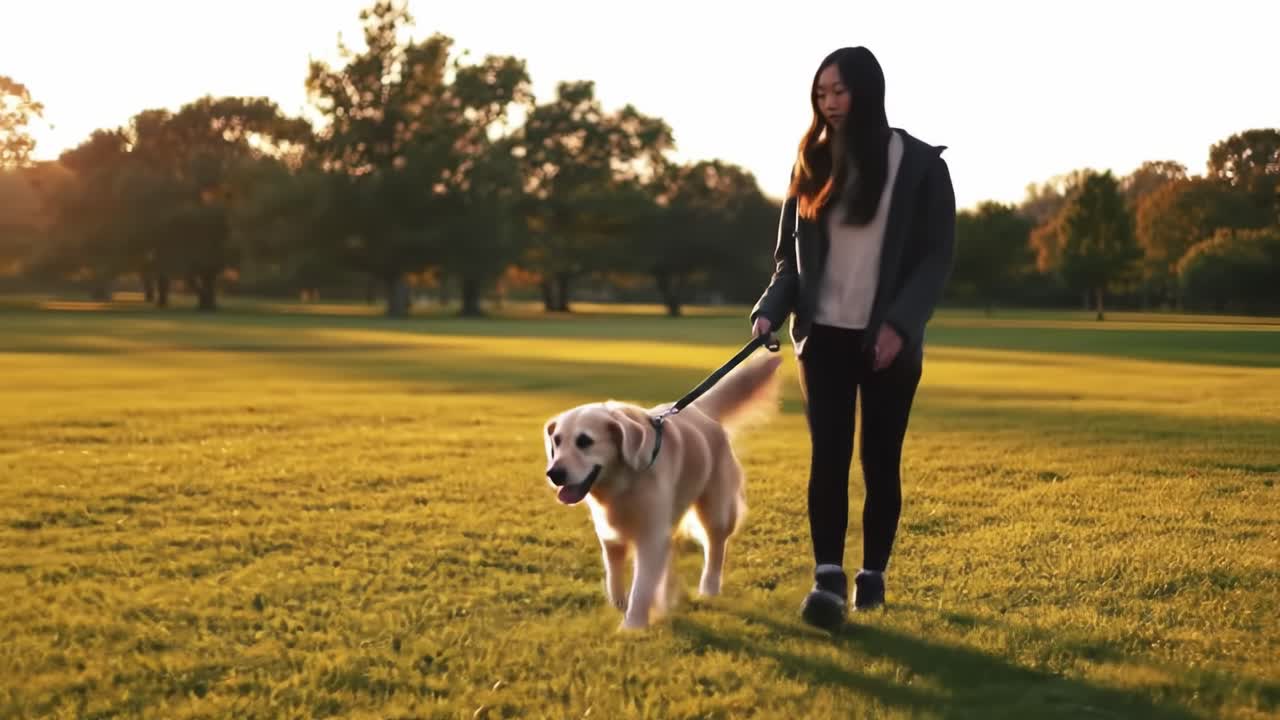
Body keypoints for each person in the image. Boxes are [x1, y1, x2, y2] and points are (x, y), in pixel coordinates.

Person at [749, 46, 956, 632]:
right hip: (824, 339)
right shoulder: (811, 162)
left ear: (867, 90)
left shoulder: (918, 166)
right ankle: (828, 579)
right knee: (828, 460)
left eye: (838, 91)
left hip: (889, 340)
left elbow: (935, 259)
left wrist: (900, 326)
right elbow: (788, 261)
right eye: (820, 94)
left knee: (880, 462)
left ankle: (873, 577)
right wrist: (770, 309)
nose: (829, 103)